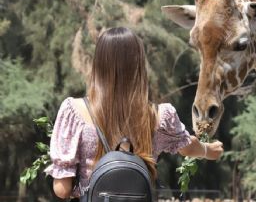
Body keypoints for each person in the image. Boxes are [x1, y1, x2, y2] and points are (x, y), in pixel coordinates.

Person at [44, 27, 224, 199]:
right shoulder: (160, 115)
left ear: (98, 64)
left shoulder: (74, 111)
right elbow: (187, 146)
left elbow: (62, 189)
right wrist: (207, 150)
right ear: (138, 65)